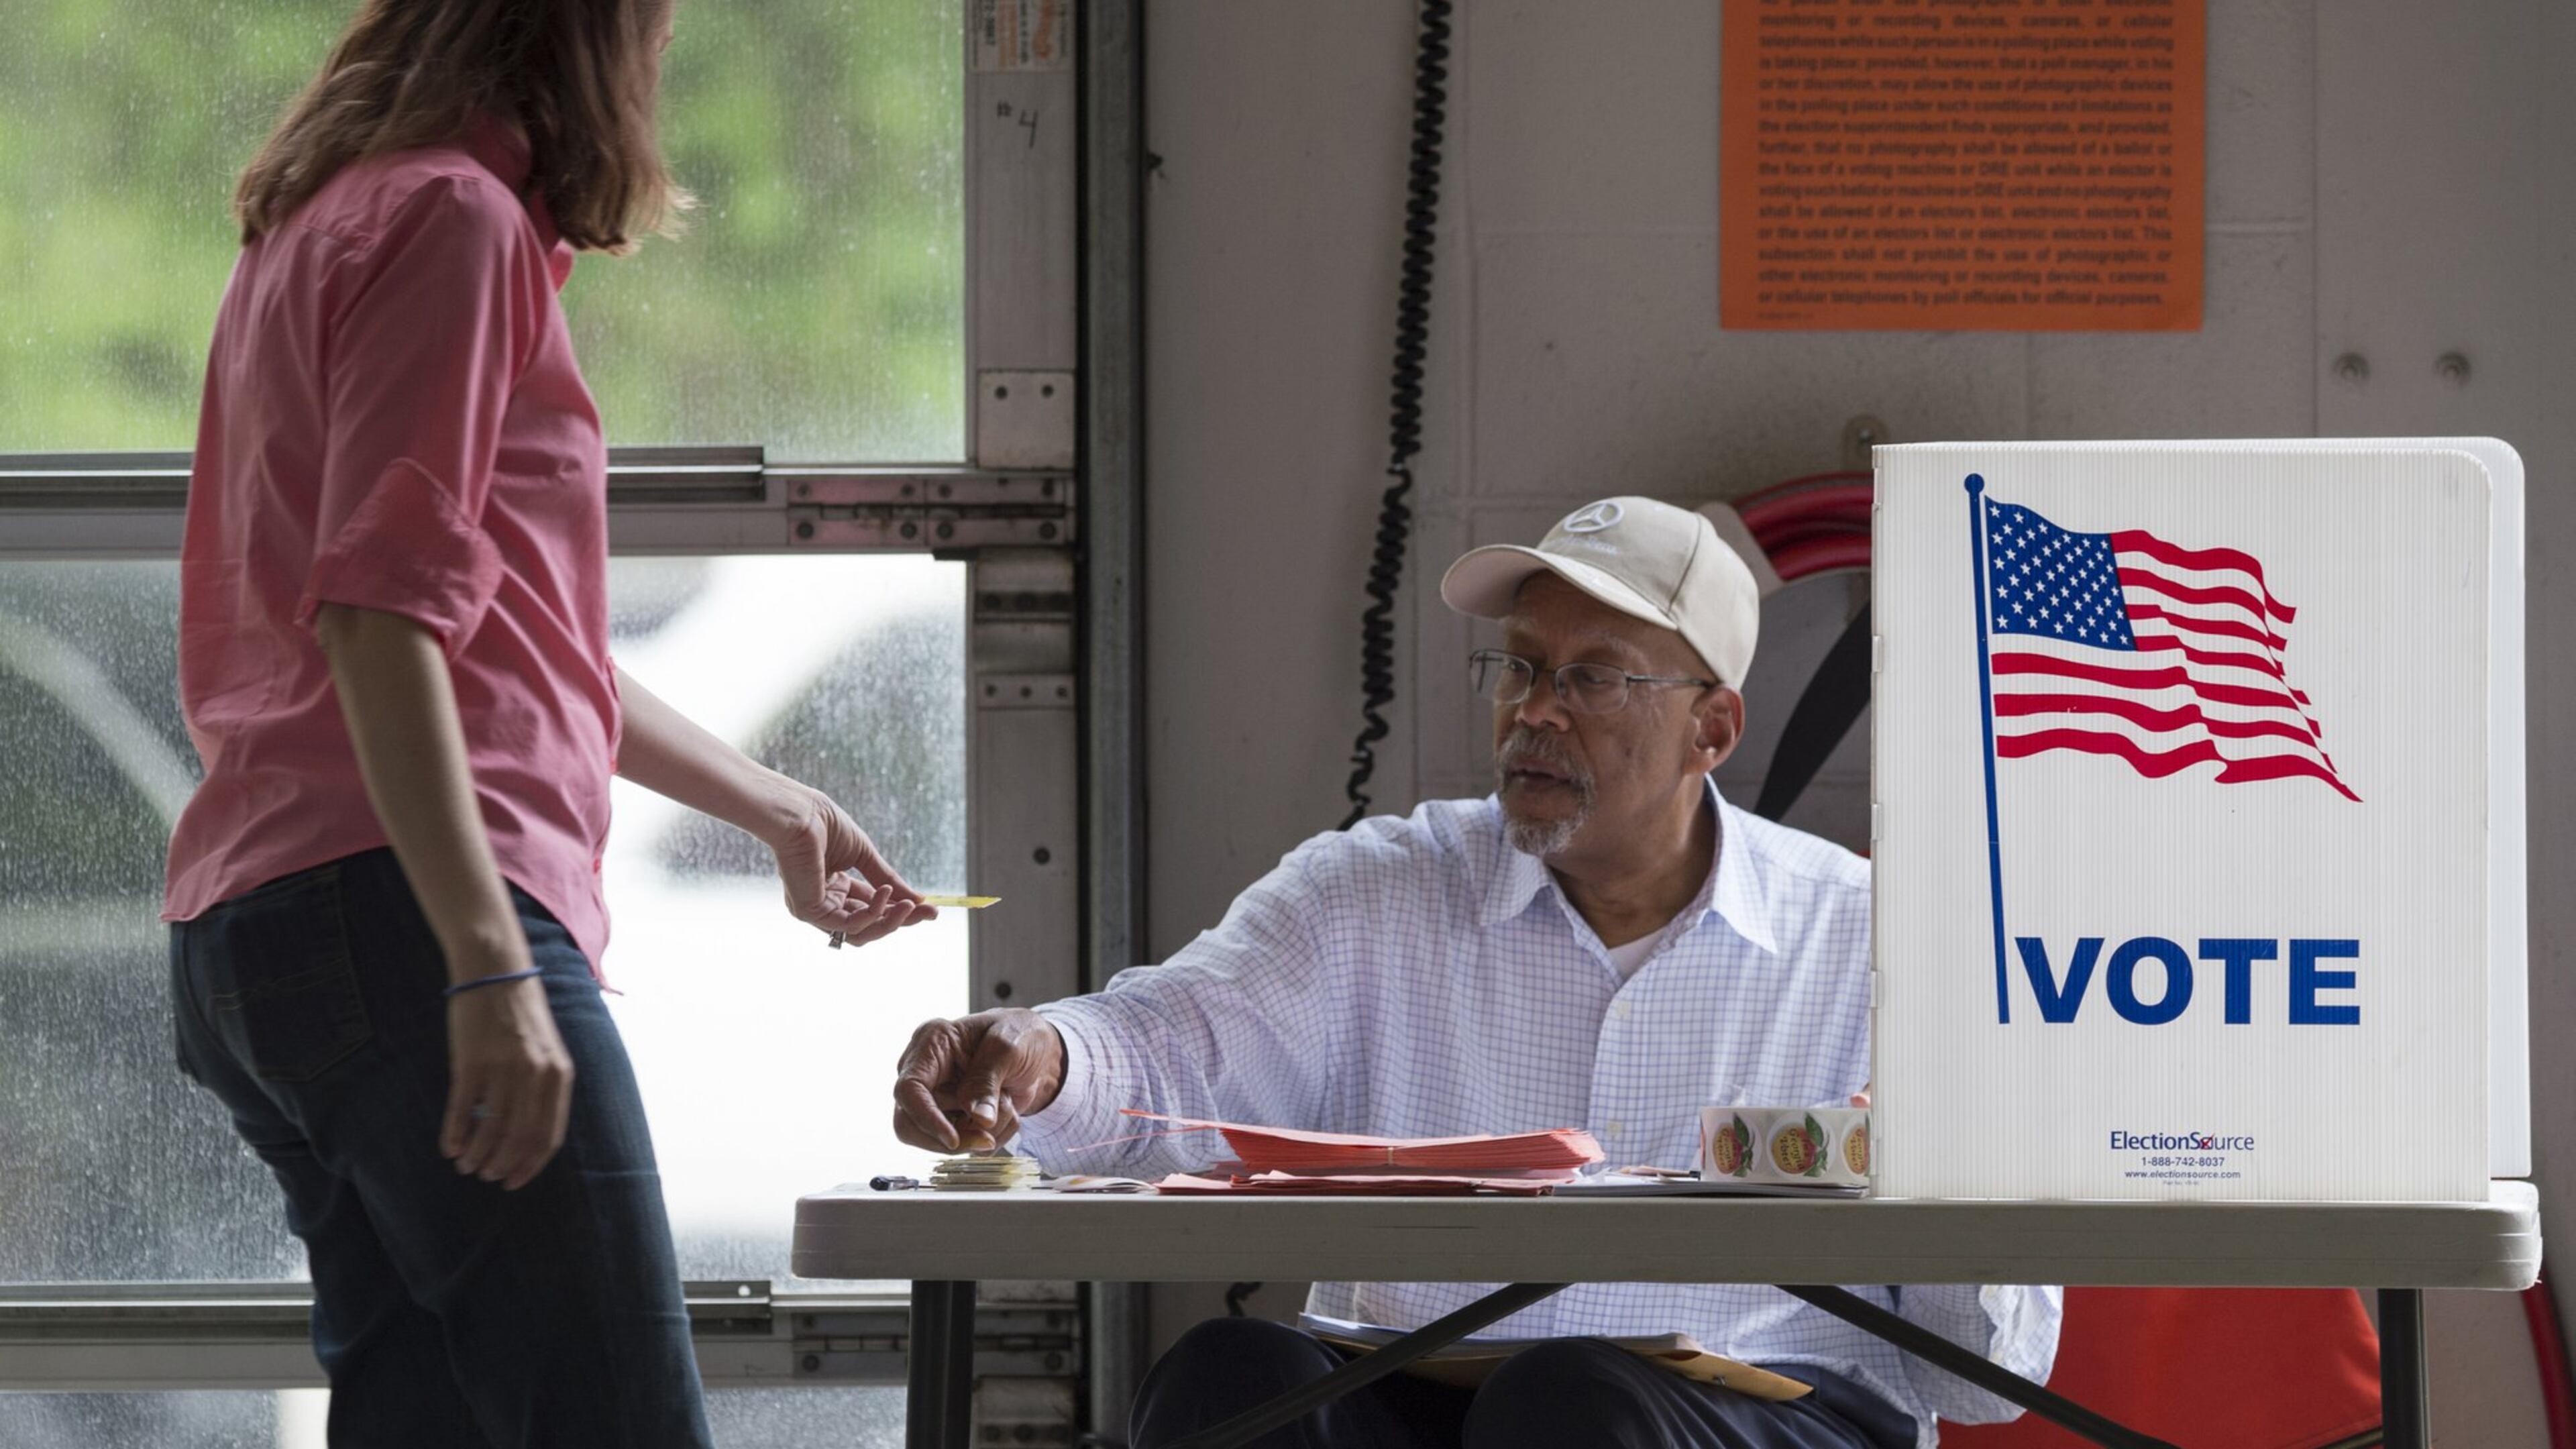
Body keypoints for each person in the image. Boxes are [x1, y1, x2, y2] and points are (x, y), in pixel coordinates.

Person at [892, 496, 2061, 1449]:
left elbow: (1991, 1376)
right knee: (1230, 1375)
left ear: (1713, 729)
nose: (1534, 712)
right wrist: (1046, 1059)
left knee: (1571, 1406)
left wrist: (1949, 1172)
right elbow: (1183, 1044)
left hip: (1765, 1405)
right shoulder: (1379, 886)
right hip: (1419, 1390)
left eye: (1595, 679)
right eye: (1521, 666)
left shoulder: (1879, 940)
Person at [162, 3, 931, 1443]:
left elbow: (508, 642)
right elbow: (378, 618)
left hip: (264, 924)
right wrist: (486, 964)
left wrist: (774, 804)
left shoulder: (324, 223)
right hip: (396, 918)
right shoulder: (454, 224)